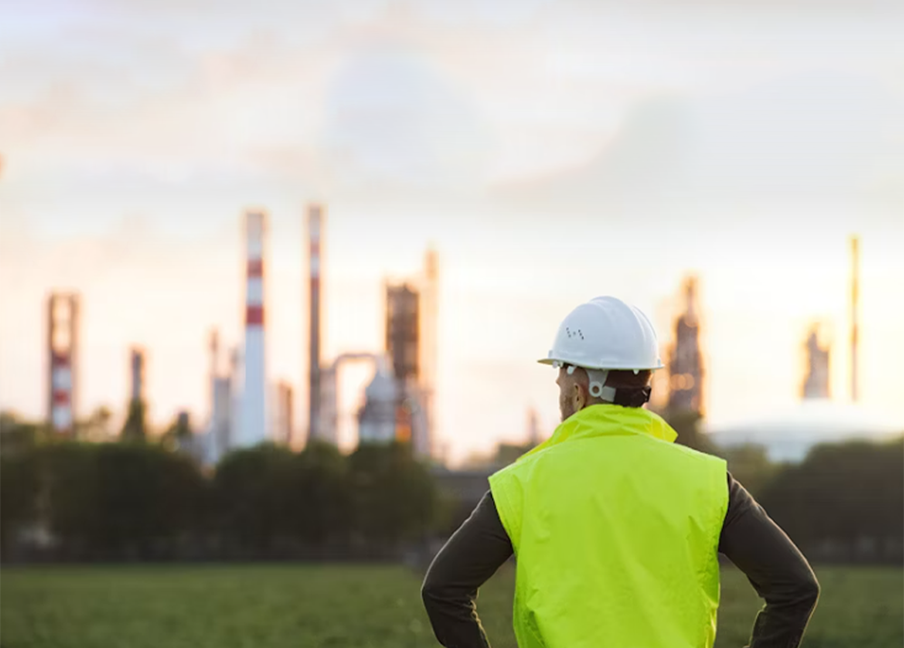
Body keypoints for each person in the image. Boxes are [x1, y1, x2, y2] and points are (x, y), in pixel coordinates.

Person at [422, 296, 819, 648]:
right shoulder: (709, 482)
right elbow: (795, 588)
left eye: (561, 371)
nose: (558, 383)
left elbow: (443, 591)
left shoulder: (522, 483)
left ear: (581, 388)